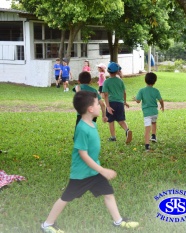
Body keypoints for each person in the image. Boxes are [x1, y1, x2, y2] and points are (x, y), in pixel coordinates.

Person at [40, 91, 139, 233]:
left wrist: (98, 170)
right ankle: (47, 224)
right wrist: (102, 170)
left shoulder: (92, 124)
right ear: (90, 109)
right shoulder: (81, 128)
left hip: (93, 172)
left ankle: (118, 221)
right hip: (82, 174)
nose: (100, 106)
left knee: (108, 193)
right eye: (98, 104)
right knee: (66, 198)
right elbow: (83, 155)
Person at [102, 62, 132, 143]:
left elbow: (105, 94)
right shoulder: (120, 81)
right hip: (120, 103)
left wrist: (107, 106)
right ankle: (127, 130)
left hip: (111, 103)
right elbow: (124, 92)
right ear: (117, 71)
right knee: (121, 120)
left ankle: (113, 137)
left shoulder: (106, 82)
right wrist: (124, 102)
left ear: (108, 71)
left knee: (111, 121)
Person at [134, 72, 164, 151]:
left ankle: (147, 145)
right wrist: (162, 106)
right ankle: (153, 136)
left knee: (147, 129)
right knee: (154, 123)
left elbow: (138, 101)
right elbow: (161, 100)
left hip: (147, 113)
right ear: (155, 81)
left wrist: (135, 98)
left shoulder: (142, 90)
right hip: (155, 112)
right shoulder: (156, 91)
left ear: (145, 80)